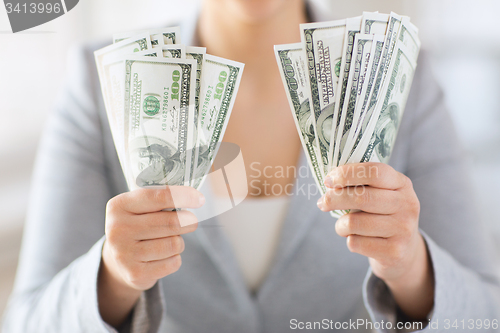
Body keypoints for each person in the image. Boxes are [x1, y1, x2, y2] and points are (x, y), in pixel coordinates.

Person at [2, 0, 500, 332]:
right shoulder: (99, 80)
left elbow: (484, 316)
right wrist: (112, 277)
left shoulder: (404, 79)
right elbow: (27, 322)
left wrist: (411, 266)